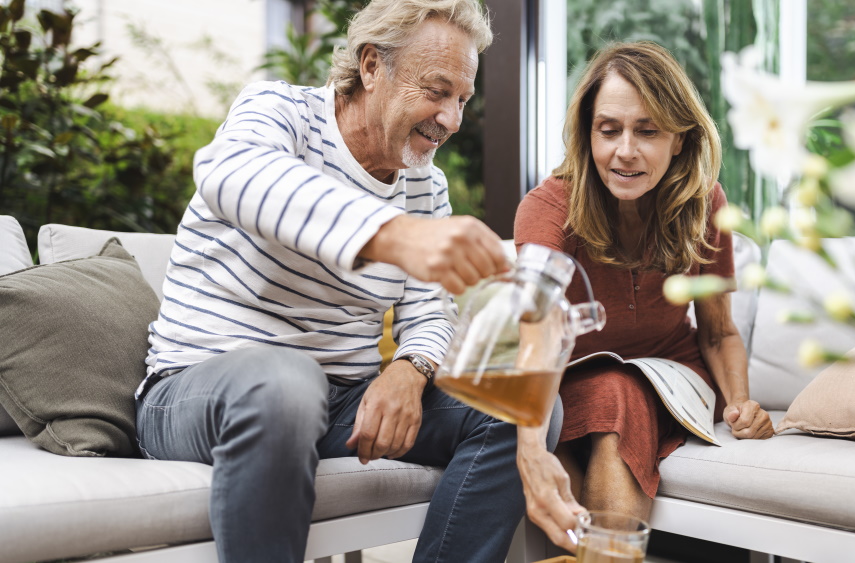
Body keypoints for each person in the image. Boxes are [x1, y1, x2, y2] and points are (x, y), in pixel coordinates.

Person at [135, 1, 580, 561]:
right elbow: (232, 174)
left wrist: (409, 369)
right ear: (372, 65)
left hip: (337, 401)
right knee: (285, 382)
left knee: (519, 407)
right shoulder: (280, 113)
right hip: (198, 391)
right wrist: (395, 236)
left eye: (462, 99)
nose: (451, 120)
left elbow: (427, 310)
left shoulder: (425, 186)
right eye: (437, 91)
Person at [513, 41, 775, 522]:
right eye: (608, 131)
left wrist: (740, 405)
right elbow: (537, 321)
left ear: (679, 138)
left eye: (648, 131)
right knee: (615, 390)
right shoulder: (548, 207)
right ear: (586, 134)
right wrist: (529, 441)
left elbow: (718, 332)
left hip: (678, 375)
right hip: (570, 379)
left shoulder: (704, 202)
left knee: (622, 394)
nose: (625, 152)